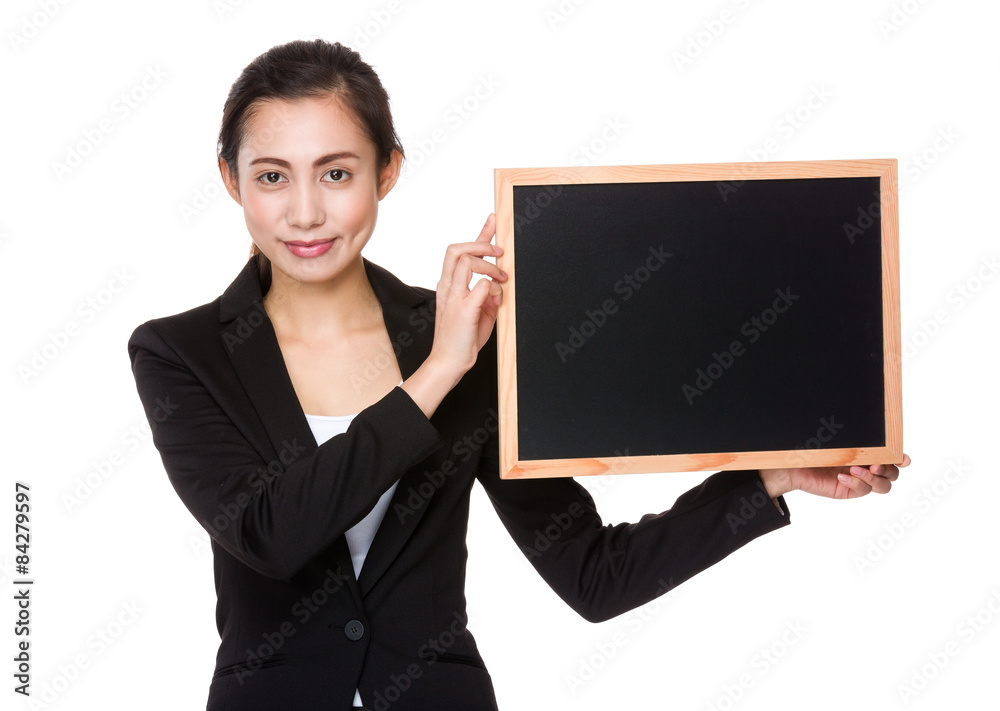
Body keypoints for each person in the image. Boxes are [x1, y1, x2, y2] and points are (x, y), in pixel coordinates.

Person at [127, 38, 908, 711]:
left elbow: (594, 574)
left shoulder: (471, 341)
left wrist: (767, 479)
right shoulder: (180, 353)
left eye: (336, 174)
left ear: (387, 172)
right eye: (272, 177)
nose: (304, 213)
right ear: (230, 179)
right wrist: (437, 371)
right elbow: (270, 533)